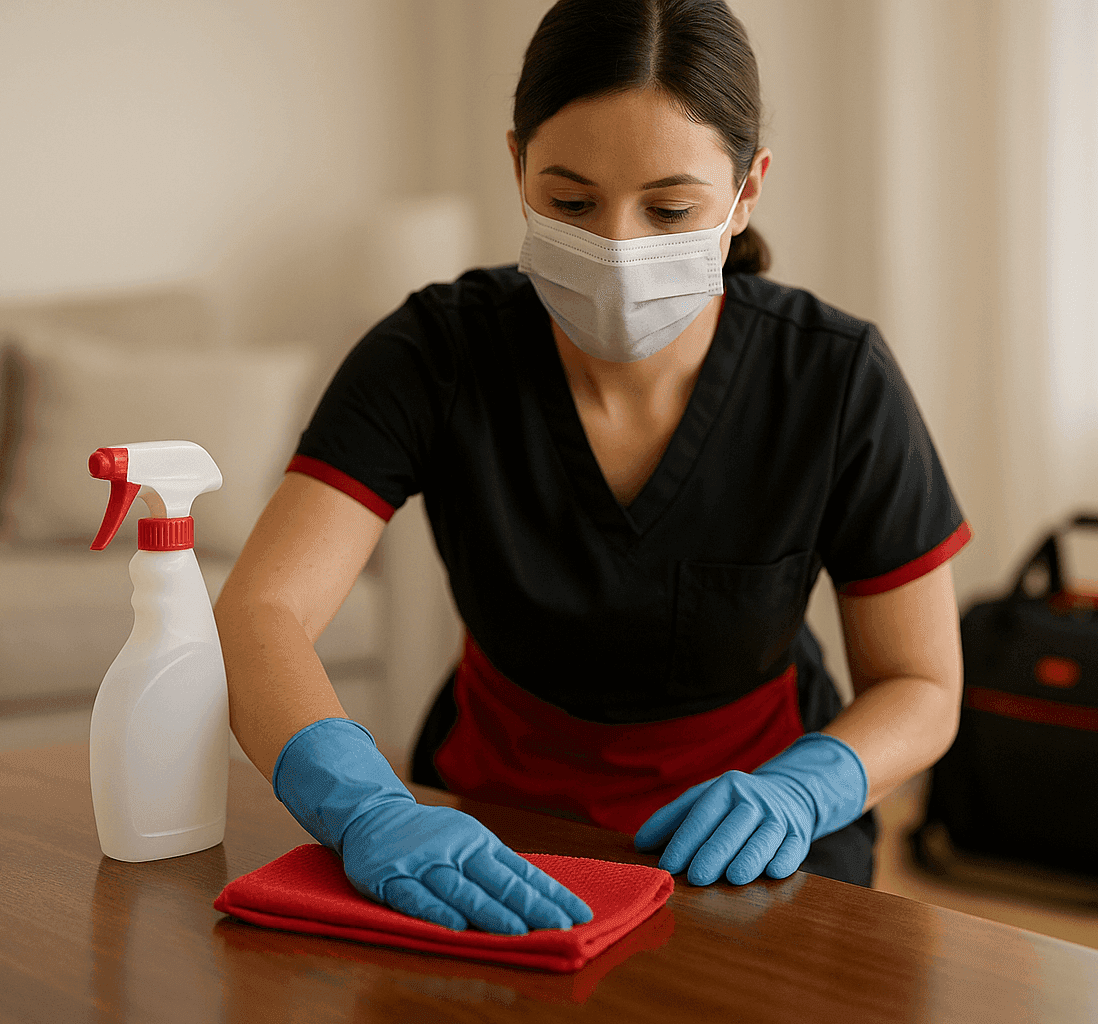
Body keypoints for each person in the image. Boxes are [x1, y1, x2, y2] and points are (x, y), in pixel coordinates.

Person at [215, 0, 969, 936]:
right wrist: (366, 808)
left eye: (671, 209)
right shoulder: (433, 354)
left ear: (746, 192)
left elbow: (922, 686)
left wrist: (804, 791)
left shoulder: (834, 377)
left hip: (757, 857)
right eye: (572, 204)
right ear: (517, 169)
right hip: (487, 832)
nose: (619, 248)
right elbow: (260, 612)